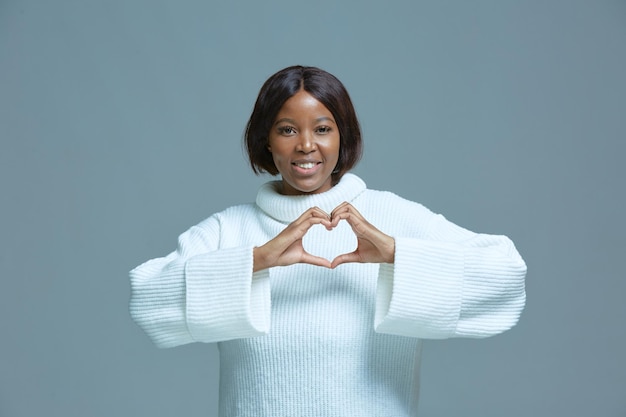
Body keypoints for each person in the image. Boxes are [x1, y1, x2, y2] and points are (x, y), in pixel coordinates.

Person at [129, 65, 526, 417]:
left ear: (343, 137)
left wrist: (394, 254)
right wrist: (255, 261)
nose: (306, 145)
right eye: (287, 129)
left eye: (322, 129)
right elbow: (146, 301)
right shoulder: (229, 229)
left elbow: (506, 277)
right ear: (266, 139)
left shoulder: (393, 217)